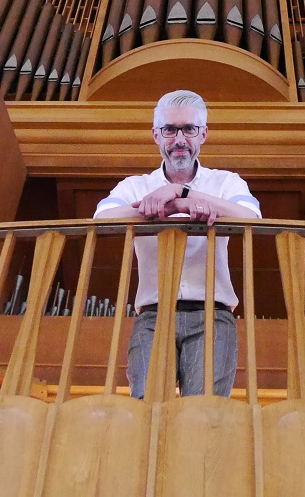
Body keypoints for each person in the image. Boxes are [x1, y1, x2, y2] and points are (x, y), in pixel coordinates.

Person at [93, 90, 261, 399]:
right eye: (170, 130)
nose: (180, 139)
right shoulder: (136, 185)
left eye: (189, 129)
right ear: (156, 134)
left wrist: (181, 194)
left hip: (212, 313)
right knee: (146, 408)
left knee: (203, 413)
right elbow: (101, 217)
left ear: (204, 134)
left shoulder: (225, 182)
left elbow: (252, 216)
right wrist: (153, 206)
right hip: (153, 315)